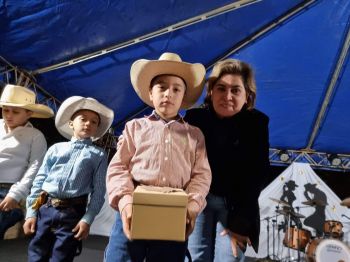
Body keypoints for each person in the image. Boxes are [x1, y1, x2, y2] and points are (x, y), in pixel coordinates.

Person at [105, 52, 212, 262]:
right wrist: (125, 202)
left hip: (175, 213)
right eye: (161, 87)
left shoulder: (195, 135)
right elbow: (118, 168)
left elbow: (201, 176)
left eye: (176, 89)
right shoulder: (134, 127)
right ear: (150, 93)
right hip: (134, 209)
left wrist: (192, 206)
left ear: (183, 97)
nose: (168, 94)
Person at [184, 59, 270, 261]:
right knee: (195, 257)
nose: (227, 96)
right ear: (211, 91)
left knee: (229, 258)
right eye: (221, 88)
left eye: (235, 90)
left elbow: (258, 174)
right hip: (198, 201)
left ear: (247, 96)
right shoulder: (194, 119)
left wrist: (242, 224)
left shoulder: (257, 123)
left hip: (237, 206)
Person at [23, 96, 114, 262]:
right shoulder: (56, 149)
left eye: (94, 122)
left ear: (97, 128)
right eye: (83, 119)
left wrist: (87, 219)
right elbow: (39, 181)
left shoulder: (99, 155)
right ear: (71, 123)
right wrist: (31, 212)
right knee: (36, 253)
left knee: (62, 256)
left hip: (73, 214)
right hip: (45, 208)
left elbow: (99, 191)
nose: (88, 124)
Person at [0, 84, 54, 239]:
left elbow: (35, 168)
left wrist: (15, 195)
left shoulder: (35, 136)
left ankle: (16, 212)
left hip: (10, 190)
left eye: (15, 111)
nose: (9, 115)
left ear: (29, 113)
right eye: (5, 110)